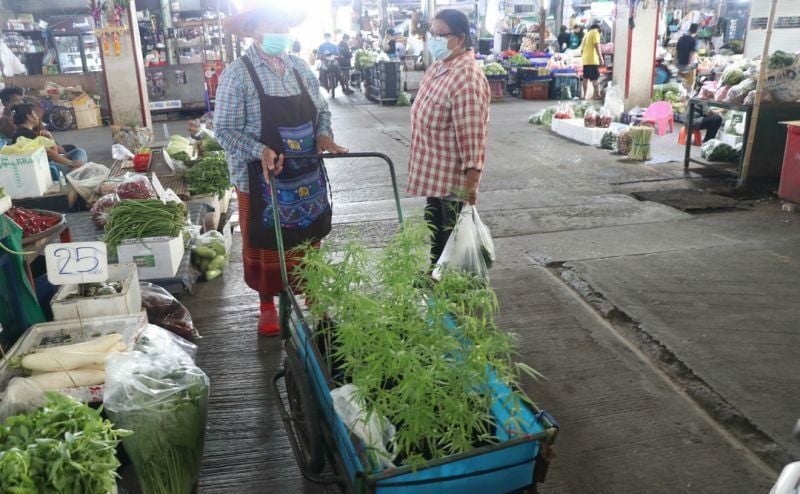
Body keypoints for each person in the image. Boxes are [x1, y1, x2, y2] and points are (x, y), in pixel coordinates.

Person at [215, 0, 347, 336]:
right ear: (253, 31)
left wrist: (323, 135)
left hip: (305, 172)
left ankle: (314, 296)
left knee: (308, 235)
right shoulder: (238, 73)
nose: (281, 33)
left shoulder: (300, 67)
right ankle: (266, 306)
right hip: (259, 177)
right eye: (274, 26)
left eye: (285, 26)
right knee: (264, 243)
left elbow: (323, 110)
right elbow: (225, 130)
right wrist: (260, 151)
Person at [407, 9, 490, 264]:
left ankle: (452, 294)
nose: (434, 39)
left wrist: (471, 183)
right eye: (432, 33)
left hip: (454, 182)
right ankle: (436, 278)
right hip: (436, 176)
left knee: (453, 242)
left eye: (441, 34)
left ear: (460, 37)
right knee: (437, 233)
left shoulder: (466, 76)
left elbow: (472, 135)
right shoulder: (439, 66)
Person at [11, 103, 87, 180]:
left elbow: (54, 152)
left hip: (48, 162)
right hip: (46, 167)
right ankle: (75, 172)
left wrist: (50, 137)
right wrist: (71, 163)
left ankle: (75, 171)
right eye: (34, 114)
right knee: (80, 161)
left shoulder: (23, 132)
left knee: (79, 151)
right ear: (29, 117)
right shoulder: (26, 134)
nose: (37, 117)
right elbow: (50, 152)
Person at [581, 24, 603, 100]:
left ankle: (584, 96)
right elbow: (597, 45)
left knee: (585, 77)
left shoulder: (586, 35)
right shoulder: (595, 32)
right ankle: (596, 95)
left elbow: (582, 50)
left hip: (586, 60)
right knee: (595, 78)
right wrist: (600, 58)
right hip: (592, 60)